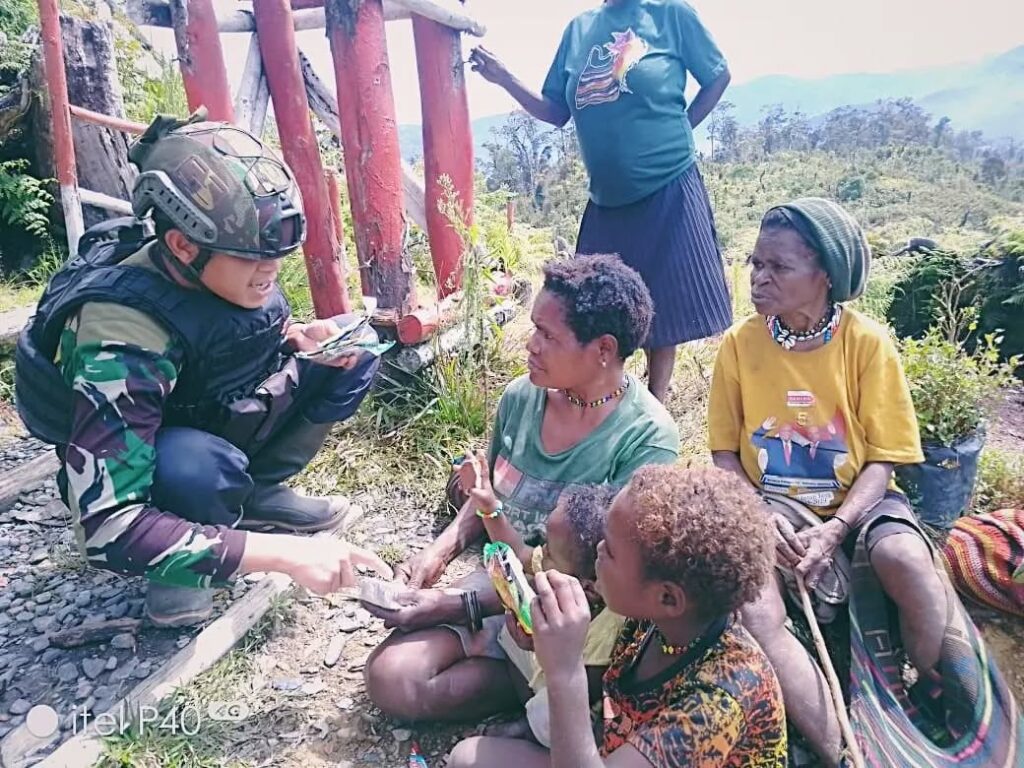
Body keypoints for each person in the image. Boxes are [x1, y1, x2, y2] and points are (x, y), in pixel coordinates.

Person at [14, 110, 390, 627]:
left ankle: (252, 496)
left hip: (204, 406)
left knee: (357, 348)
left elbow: (221, 339)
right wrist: (283, 556)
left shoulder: (217, 269)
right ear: (182, 244)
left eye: (276, 257)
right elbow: (106, 527)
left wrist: (300, 337)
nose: (270, 272)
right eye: (252, 258)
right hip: (158, 455)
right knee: (196, 466)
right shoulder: (121, 334)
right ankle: (180, 574)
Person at [706, 198, 985, 765]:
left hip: (859, 503)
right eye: (755, 263)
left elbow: (883, 460)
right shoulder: (739, 345)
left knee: (908, 560)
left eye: (777, 267)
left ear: (825, 276)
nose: (758, 277)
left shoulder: (866, 344)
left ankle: (929, 693)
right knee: (758, 611)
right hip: (770, 508)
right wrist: (760, 513)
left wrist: (836, 529)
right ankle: (843, 748)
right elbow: (723, 455)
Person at [362, 254, 679, 721]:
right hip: (506, 583)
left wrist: (452, 606)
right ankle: (536, 696)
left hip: (577, 616)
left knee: (418, 674)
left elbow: (598, 584)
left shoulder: (646, 438)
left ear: (604, 349)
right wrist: (438, 553)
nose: (531, 345)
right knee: (391, 677)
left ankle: (552, 699)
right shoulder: (522, 397)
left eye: (548, 336)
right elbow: (490, 495)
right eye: (534, 329)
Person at [470, 0, 734, 401]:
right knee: (597, 303)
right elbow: (556, 109)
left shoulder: (670, 15)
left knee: (665, 296)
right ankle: (607, 395)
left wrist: (682, 129)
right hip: (607, 196)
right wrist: (504, 78)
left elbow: (718, 75)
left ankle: (656, 401)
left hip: (668, 181)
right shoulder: (580, 29)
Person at [447, 464, 788, 768]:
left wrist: (564, 671)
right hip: (617, 751)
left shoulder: (719, 702)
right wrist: (545, 645)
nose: (597, 550)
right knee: (468, 757)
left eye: (608, 550)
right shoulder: (652, 622)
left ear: (667, 597)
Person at [459, 457, 622, 747]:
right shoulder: (566, 569)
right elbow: (521, 553)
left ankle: (531, 732)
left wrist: (539, 646)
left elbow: (584, 689)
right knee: (508, 632)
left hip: (575, 700)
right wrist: (490, 508)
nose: (540, 553)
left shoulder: (608, 629)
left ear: (588, 589)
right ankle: (526, 705)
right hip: (551, 664)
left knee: (547, 714)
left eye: (547, 552)